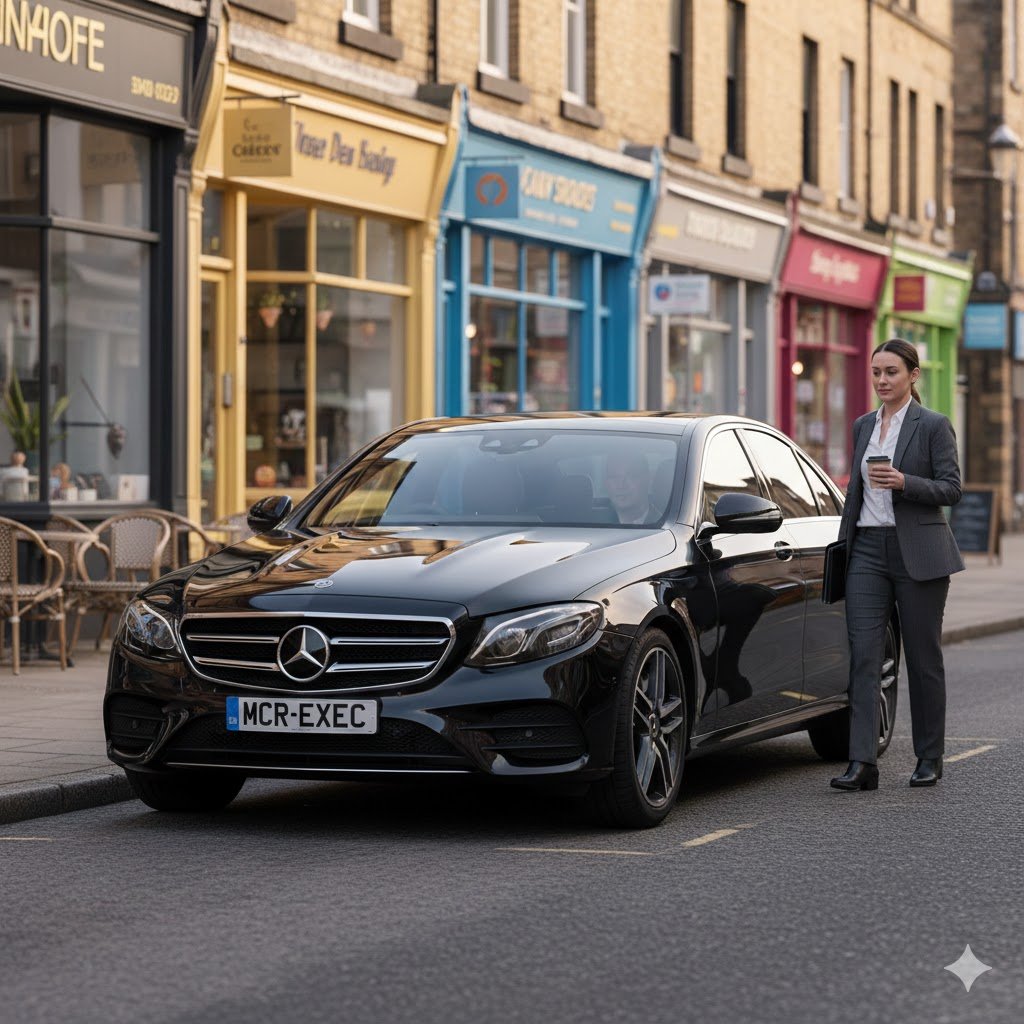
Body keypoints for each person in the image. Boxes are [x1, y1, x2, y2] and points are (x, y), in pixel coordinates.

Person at [830, 339, 964, 792]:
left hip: (919, 554)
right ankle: (862, 762)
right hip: (867, 549)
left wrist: (906, 482)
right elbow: (857, 494)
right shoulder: (863, 426)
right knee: (864, 657)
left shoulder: (933, 425)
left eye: (891, 372)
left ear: (913, 375)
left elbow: (951, 488)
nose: (882, 381)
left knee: (924, 659)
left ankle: (929, 757)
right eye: (876, 373)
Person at [604, 451, 656, 524]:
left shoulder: (666, 524)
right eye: (614, 477)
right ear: (605, 483)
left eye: (631, 476)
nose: (621, 485)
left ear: (648, 479)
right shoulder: (592, 526)